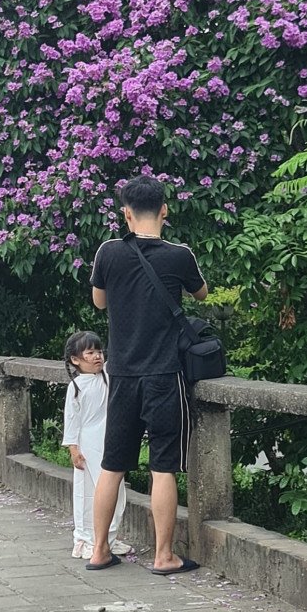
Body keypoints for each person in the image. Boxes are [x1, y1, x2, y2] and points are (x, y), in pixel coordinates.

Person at [86, 176, 208, 575]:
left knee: (112, 465)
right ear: (165, 210)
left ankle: (99, 550)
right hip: (163, 374)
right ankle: (163, 556)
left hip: (120, 373)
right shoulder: (179, 255)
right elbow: (201, 294)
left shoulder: (108, 252)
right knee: (163, 466)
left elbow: (99, 302)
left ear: (125, 213)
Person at [62, 330, 129, 560]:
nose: (97, 356)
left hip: (109, 439)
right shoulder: (76, 387)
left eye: (99, 351)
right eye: (90, 353)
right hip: (87, 444)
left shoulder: (107, 376)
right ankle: (84, 540)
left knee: (116, 491)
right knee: (87, 493)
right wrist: (73, 448)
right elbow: (71, 419)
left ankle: (108, 538)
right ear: (75, 360)